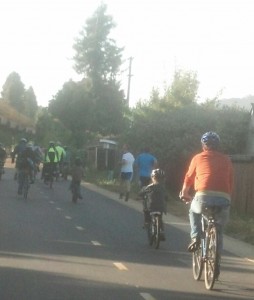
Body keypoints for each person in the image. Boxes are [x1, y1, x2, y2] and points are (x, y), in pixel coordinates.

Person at [180, 131, 233, 277]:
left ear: (204, 145)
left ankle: (196, 236)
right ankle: (216, 261)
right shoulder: (227, 159)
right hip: (224, 198)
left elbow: (189, 177)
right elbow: (229, 181)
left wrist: (184, 192)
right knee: (219, 230)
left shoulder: (198, 157)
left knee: (193, 210)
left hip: (203, 196)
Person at [138, 168, 167, 240]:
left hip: (150, 206)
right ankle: (161, 231)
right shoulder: (163, 188)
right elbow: (166, 197)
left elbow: (141, 193)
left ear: (152, 178)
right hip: (161, 207)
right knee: (160, 218)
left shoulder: (149, 187)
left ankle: (147, 222)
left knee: (146, 209)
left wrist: (140, 196)